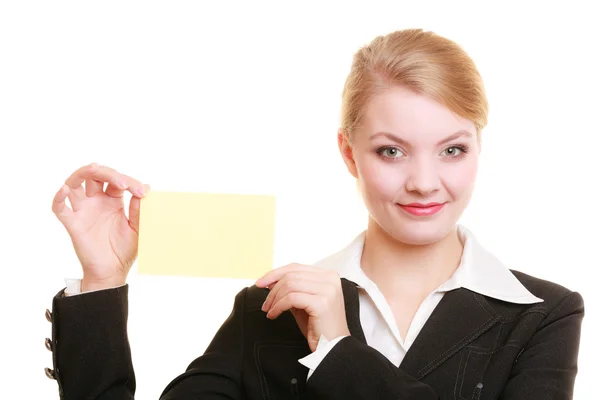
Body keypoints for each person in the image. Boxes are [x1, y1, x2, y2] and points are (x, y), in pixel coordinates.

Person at [44, 28, 584, 399]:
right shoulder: (271, 309)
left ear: (479, 148)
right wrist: (102, 281)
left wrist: (337, 351)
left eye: (452, 149)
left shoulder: (543, 315)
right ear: (349, 153)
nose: (424, 181)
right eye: (391, 151)